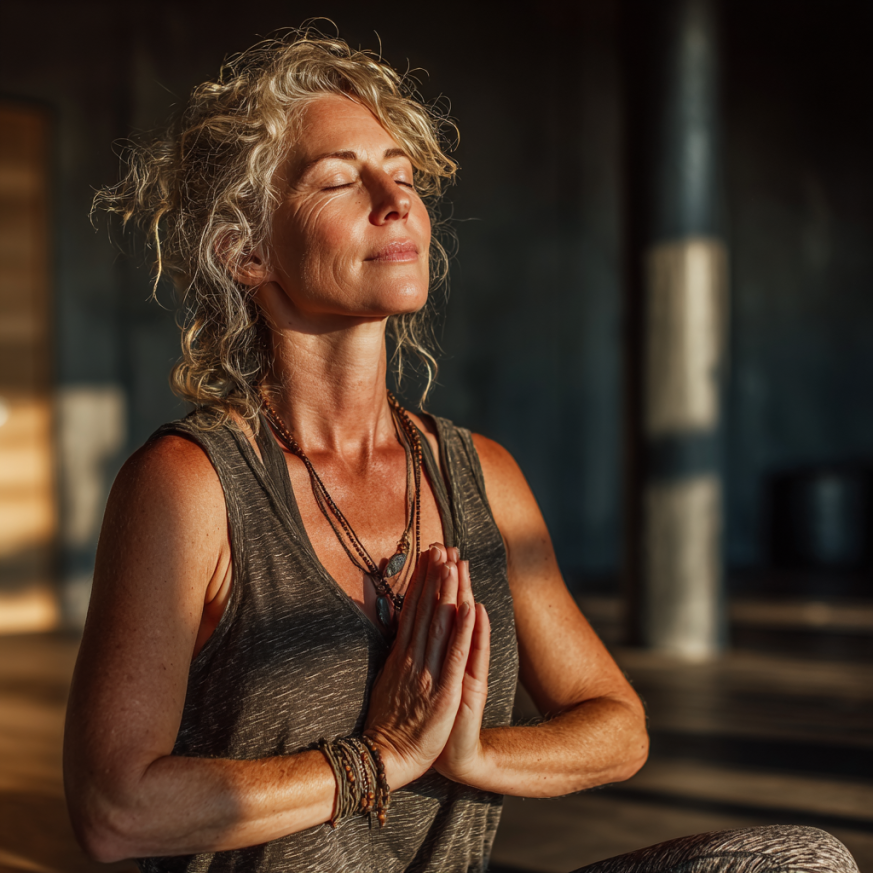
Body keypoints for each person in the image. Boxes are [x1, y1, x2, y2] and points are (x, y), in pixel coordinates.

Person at [63, 29, 859, 873]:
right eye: (340, 178)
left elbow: (617, 725)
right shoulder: (188, 485)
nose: (393, 199)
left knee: (800, 858)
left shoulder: (480, 473)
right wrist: (379, 758)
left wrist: (473, 755)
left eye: (402, 176)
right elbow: (117, 810)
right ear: (244, 249)